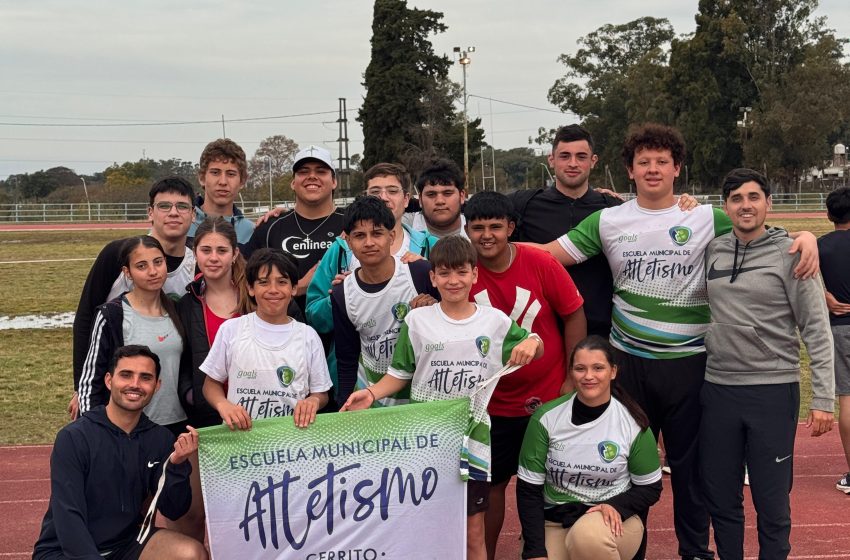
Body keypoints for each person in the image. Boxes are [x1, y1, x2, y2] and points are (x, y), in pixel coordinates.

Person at [535, 123, 820, 560]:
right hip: (629, 364)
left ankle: (694, 551)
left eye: (662, 162)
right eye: (643, 162)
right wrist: (475, 249)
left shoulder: (705, 216)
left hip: (692, 364)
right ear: (628, 170)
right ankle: (630, 549)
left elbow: (760, 227)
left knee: (693, 472)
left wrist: (805, 237)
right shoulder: (608, 220)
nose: (653, 170)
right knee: (627, 469)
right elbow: (544, 254)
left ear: (677, 168)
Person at [341, 235, 543, 560]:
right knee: (422, 529)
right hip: (425, 444)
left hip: (473, 444)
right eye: (445, 274)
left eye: (461, 272)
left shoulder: (494, 321)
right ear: (432, 277)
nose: (453, 281)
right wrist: (370, 393)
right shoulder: (417, 320)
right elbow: (399, 375)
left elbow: (535, 343)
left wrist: (531, 343)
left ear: (474, 275)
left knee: (473, 533)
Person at [701, 168, 834, 560]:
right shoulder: (714, 249)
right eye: (737, 198)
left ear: (768, 203)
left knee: (771, 502)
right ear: (726, 206)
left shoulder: (792, 252)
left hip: (773, 391)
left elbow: (816, 329)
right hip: (719, 389)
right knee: (722, 499)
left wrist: (824, 398)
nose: (746, 205)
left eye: (754, 197)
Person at [462, 191, 587, 560]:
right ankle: (485, 552)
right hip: (491, 402)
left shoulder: (539, 262)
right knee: (493, 484)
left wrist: (571, 376)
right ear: (466, 230)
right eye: (477, 227)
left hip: (546, 395)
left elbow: (574, 313)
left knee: (550, 482)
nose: (487, 235)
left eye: (496, 227)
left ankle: (545, 548)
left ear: (511, 228)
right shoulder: (463, 269)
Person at [33, 345, 206, 560]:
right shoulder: (74, 437)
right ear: (109, 380)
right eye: (126, 375)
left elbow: (174, 509)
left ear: (157, 385)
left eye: (145, 377)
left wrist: (177, 466)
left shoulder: (159, 439)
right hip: (65, 552)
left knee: (191, 554)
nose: (135, 384)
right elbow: (68, 515)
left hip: (125, 545)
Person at [517, 335, 662, 560]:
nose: (589, 376)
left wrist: (614, 505)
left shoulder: (633, 423)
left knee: (586, 537)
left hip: (612, 520)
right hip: (556, 520)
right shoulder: (546, 418)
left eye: (598, 368)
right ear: (571, 373)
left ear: (613, 372)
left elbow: (651, 488)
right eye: (580, 368)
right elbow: (528, 489)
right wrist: (534, 551)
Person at [306, 162, 438, 396]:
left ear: (406, 199)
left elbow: (457, 308)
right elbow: (316, 315)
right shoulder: (339, 254)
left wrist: (434, 308)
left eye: (392, 191)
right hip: (368, 390)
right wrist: (339, 298)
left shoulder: (427, 253)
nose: (384, 198)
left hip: (423, 389)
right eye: (375, 192)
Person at [71, 177, 196, 419]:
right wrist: (82, 387)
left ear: (193, 214)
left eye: (182, 206)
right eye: (164, 206)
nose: (173, 213)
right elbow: (86, 319)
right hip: (121, 399)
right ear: (150, 212)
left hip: (175, 405)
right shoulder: (116, 254)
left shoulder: (200, 260)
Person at [201, 248, 332, 430]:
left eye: (282, 282)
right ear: (250, 288)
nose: (273, 290)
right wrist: (224, 405)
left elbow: (321, 392)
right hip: (240, 440)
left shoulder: (308, 336)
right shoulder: (231, 330)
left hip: (290, 442)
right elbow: (210, 384)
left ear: (294, 288)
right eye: (263, 282)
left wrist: (314, 401)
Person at [330, 196, 440, 406]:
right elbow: (347, 358)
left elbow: (452, 320)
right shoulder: (342, 292)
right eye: (360, 235)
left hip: (422, 397)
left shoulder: (419, 273)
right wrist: (344, 405)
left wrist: (433, 311)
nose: (369, 242)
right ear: (348, 241)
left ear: (391, 236)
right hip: (373, 399)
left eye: (377, 233)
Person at [78, 236, 187, 434]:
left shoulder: (180, 311)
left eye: (158, 262)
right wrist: (91, 430)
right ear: (127, 272)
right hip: (127, 426)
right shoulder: (111, 315)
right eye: (141, 266)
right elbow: (90, 380)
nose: (153, 271)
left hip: (176, 425)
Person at [243, 145, 344, 310]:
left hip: (343, 331)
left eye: (321, 171)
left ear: (333, 182)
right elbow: (246, 285)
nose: (312, 176)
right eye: (303, 172)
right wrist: (298, 287)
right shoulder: (269, 227)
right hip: (282, 331)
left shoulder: (353, 224)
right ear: (293, 182)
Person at [819, 186, 850, 494]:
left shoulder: (819, 247)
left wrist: (824, 295)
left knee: (848, 399)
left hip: (840, 328)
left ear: (828, 215)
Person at [187, 138, 254, 245]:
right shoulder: (182, 225)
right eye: (215, 172)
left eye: (231, 174)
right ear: (202, 178)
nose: (223, 182)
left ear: (242, 181)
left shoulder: (252, 232)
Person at [403, 158, 468, 238]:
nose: (440, 201)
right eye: (431, 194)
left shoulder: (478, 227)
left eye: (447, 193)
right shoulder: (403, 226)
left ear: (461, 196)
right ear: (420, 199)